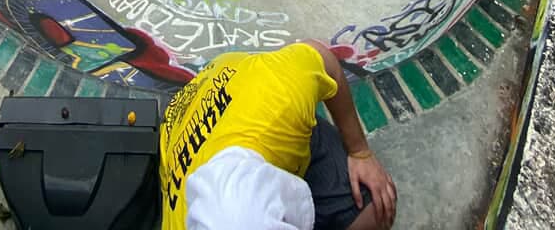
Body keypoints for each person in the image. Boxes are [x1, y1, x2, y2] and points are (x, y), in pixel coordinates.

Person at [159, 39, 396, 230]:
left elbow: (325, 60)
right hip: (186, 116)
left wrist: (360, 151)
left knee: (377, 208)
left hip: (239, 83)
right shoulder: (182, 219)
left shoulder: (280, 99)